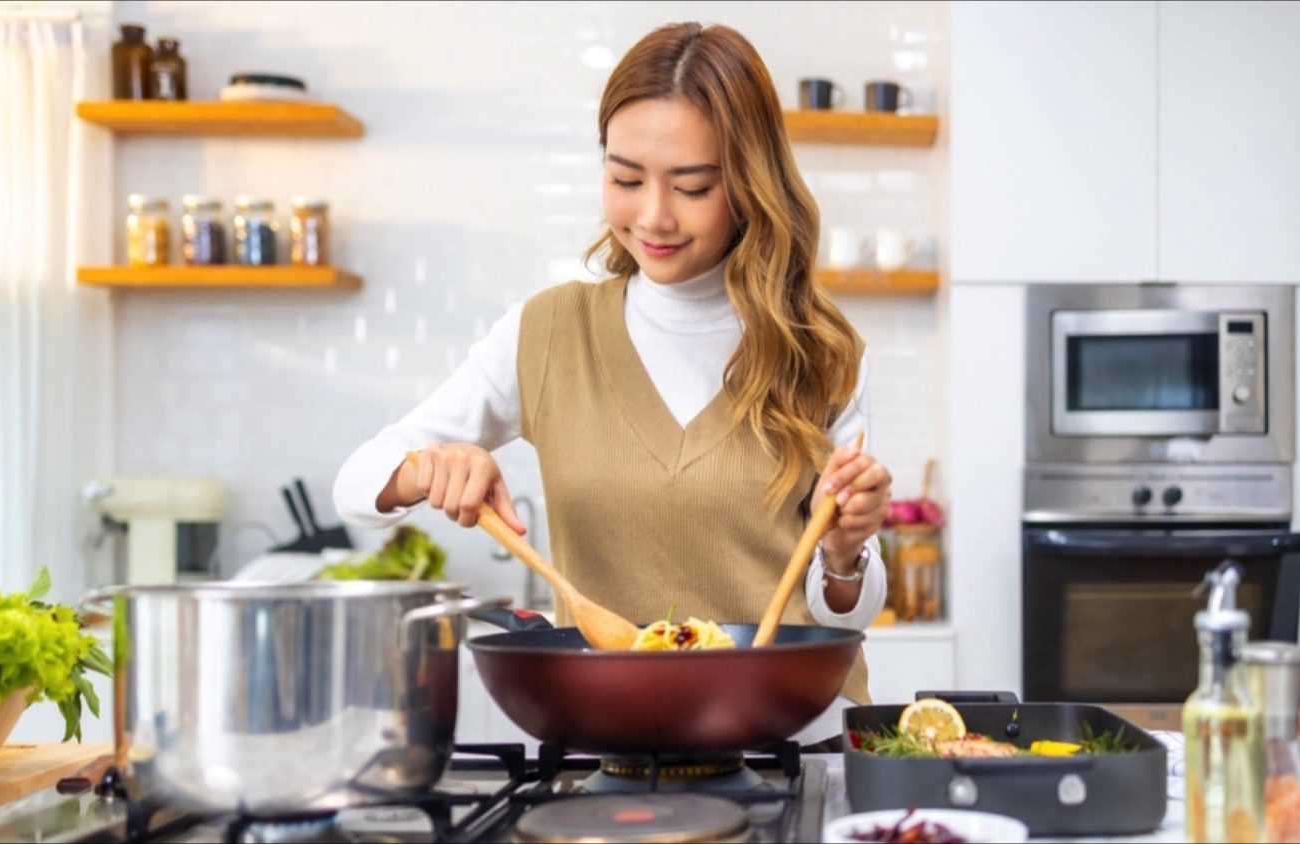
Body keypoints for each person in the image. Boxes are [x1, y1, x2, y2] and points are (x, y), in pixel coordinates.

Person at [333, 21, 893, 746]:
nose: (653, 216)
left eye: (692, 186)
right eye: (625, 179)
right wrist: (423, 470)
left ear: (752, 182)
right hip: (611, 749)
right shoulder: (548, 332)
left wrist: (846, 553)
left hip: (798, 743)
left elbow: (847, 613)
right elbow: (355, 481)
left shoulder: (821, 348)